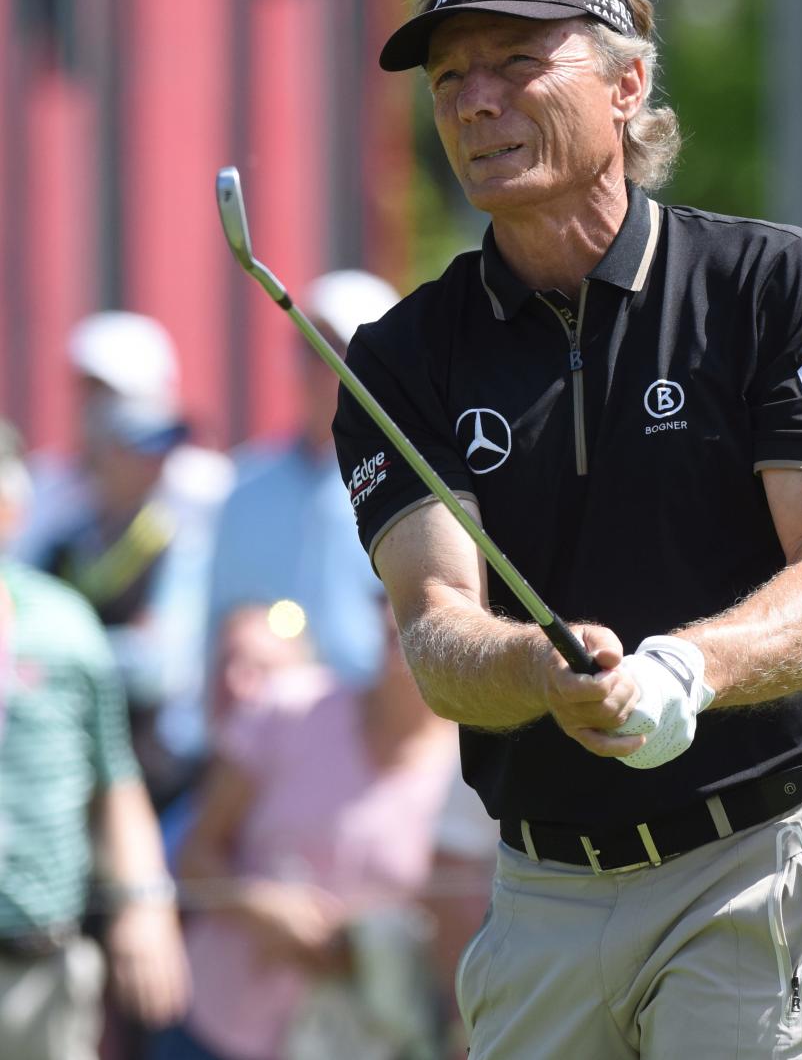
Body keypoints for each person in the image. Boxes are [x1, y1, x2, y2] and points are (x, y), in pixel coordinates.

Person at [332, 0, 802, 1060]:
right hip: (545, 885)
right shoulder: (401, 356)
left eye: (516, 63)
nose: (476, 100)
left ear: (627, 87)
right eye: (449, 80)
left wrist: (683, 670)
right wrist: (542, 671)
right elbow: (438, 631)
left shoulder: (769, 286)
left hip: (766, 851)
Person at [151, 602, 458, 1060]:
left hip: (360, 1040)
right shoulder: (290, 706)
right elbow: (194, 854)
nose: (414, 622)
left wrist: (365, 948)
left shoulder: (467, 779)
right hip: (213, 1026)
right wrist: (255, 905)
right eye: (403, 598)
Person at [0, 420, 190, 1060]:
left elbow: (114, 777)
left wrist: (144, 900)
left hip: (40, 967)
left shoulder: (62, 624)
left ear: (12, 506)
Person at [12, 311, 233, 806]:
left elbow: (162, 664)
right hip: (64, 748)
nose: (99, 408)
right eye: (90, 390)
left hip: (170, 758)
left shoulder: (209, 493)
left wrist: (53, 658)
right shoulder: (48, 492)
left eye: (114, 392)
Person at [206, 271, 399, 688]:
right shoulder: (246, 485)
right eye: (312, 345)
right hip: (267, 732)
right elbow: (217, 626)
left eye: (340, 348)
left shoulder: (419, 485)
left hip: (383, 730)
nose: (322, 363)